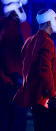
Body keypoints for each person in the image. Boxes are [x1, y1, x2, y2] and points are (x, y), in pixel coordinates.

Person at [14, 9, 56, 131]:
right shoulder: (47, 42)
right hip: (44, 98)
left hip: (33, 98)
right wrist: (52, 95)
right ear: (49, 23)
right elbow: (45, 70)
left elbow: (23, 67)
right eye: (55, 19)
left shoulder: (29, 41)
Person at [0, 1, 31, 130]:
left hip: (18, 79)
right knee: (6, 116)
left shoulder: (21, 25)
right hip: (6, 79)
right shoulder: (4, 25)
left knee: (18, 117)